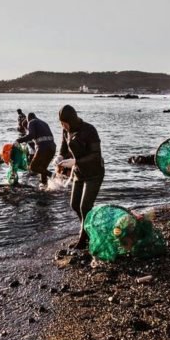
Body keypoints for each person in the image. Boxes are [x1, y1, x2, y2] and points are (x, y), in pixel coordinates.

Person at [57, 105, 105, 249]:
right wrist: (59, 157)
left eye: (65, 122)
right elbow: (64, 147)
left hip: (94, 173)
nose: (63, 126)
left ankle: (83, 239)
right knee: (74, 204)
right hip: (79, 173)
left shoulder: (89, 130)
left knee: (85, 207)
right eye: (61, 123)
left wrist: (76, 161)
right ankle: (88, 229)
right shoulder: (66, 130)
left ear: (72, 119)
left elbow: (96, 155)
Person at [16, 112, 56, 186]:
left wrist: (19, 140)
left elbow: (31, 135)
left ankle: (53, 175)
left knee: (33, 167)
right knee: (43, 168)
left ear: (28, 119)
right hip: (52, 148)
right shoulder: (44, 123)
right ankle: (44, 185)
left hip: (43, 147)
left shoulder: (31, 122)